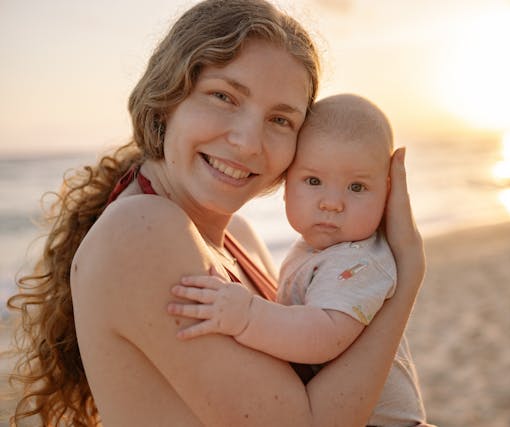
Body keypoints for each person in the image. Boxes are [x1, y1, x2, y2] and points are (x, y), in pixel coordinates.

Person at [6, 1, 428, 426]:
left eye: (280, 119)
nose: (247, 142)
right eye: (224, 96)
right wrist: (406, 275)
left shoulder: (237, 237)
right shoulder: (140, 233)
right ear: (168, 94)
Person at [168, 93, 427, 426]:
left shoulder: (359, 263)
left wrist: (247, 316)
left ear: (389, 193)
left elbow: (323, 337)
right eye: (314, 181)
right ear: (286, 182)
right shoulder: (317, 250)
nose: (332, 203)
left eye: (357, 187)